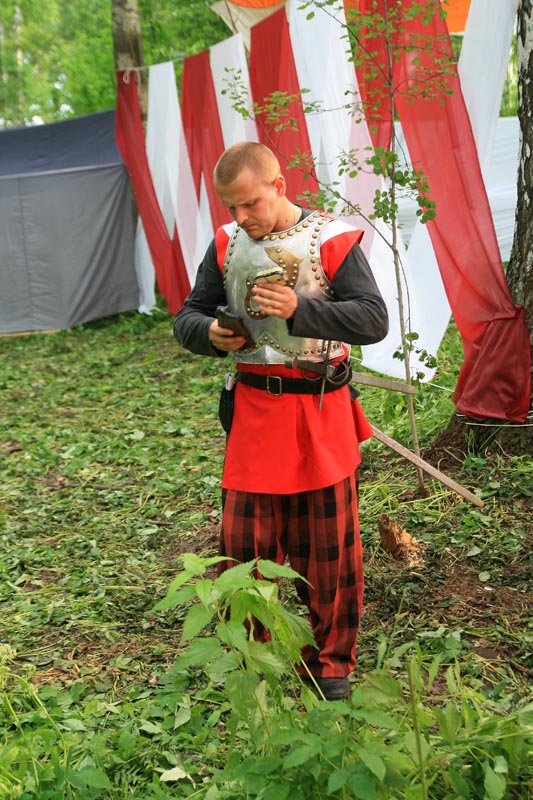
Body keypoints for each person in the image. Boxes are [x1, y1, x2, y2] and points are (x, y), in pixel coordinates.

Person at [174, 141, 388, 700]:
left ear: (278, 186)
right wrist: (209, 334)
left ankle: (332, 665)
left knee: (330, 549)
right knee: (245, 548)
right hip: (254, 414)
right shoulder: (226, 243)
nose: (241, 216)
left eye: (250, 203)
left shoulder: (332, 239)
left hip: (320, 410)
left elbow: (373, 319)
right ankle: (254, 657)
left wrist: (301, 309)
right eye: (231, 206)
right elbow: (188, 315)